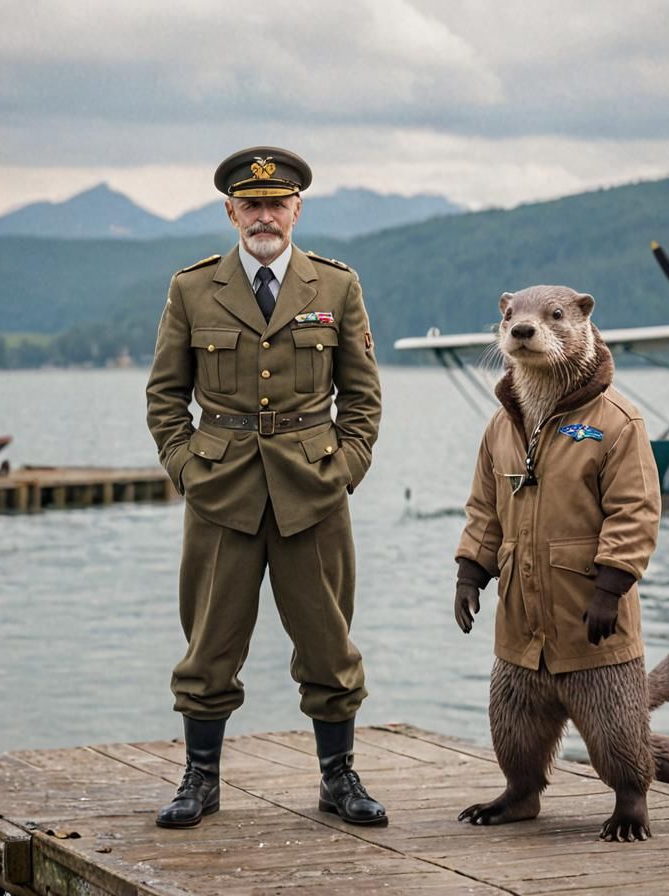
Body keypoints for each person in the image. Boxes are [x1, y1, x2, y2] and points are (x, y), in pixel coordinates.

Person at [146, 146, 385, 829]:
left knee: (329, 645)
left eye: (277, 203)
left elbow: (363, 398)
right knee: (209, 645)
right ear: (230, 212)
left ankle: (339, 780)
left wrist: (347, 468)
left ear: (297, 209)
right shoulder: (193, 289)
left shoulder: (335, 287)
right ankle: (201, 780)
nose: (264, 215)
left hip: (313, 488)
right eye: (250, 205)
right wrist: (188, 468)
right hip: (221, 490)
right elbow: (165, 397)